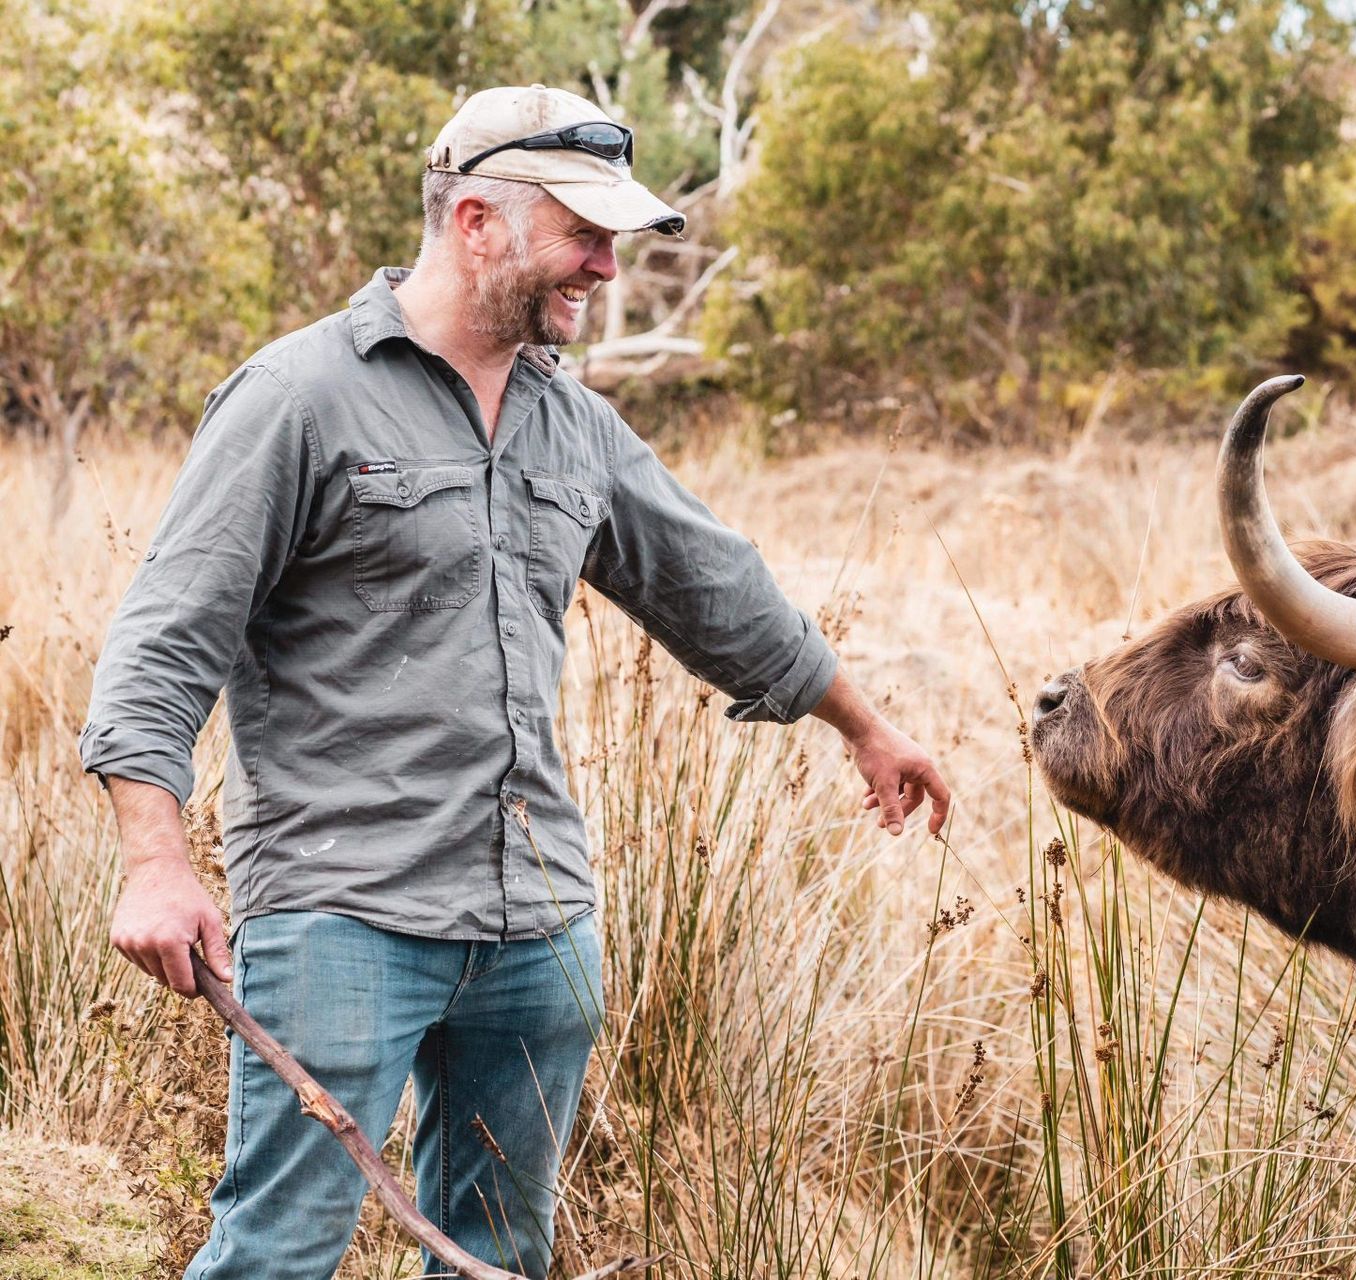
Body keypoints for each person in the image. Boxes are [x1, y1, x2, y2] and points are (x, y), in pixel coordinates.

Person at [79, 84, 950, 1278]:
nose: (605, 264)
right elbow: (163, 640)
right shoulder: (297, 399)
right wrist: (156, 862)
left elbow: (713, 586)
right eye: (582, 232)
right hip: (343, 914)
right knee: (278, 1250)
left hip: (536, 928)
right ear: (476, 218)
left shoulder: (570, 423)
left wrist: (866, 724)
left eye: (613, 238)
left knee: (501, 1252)